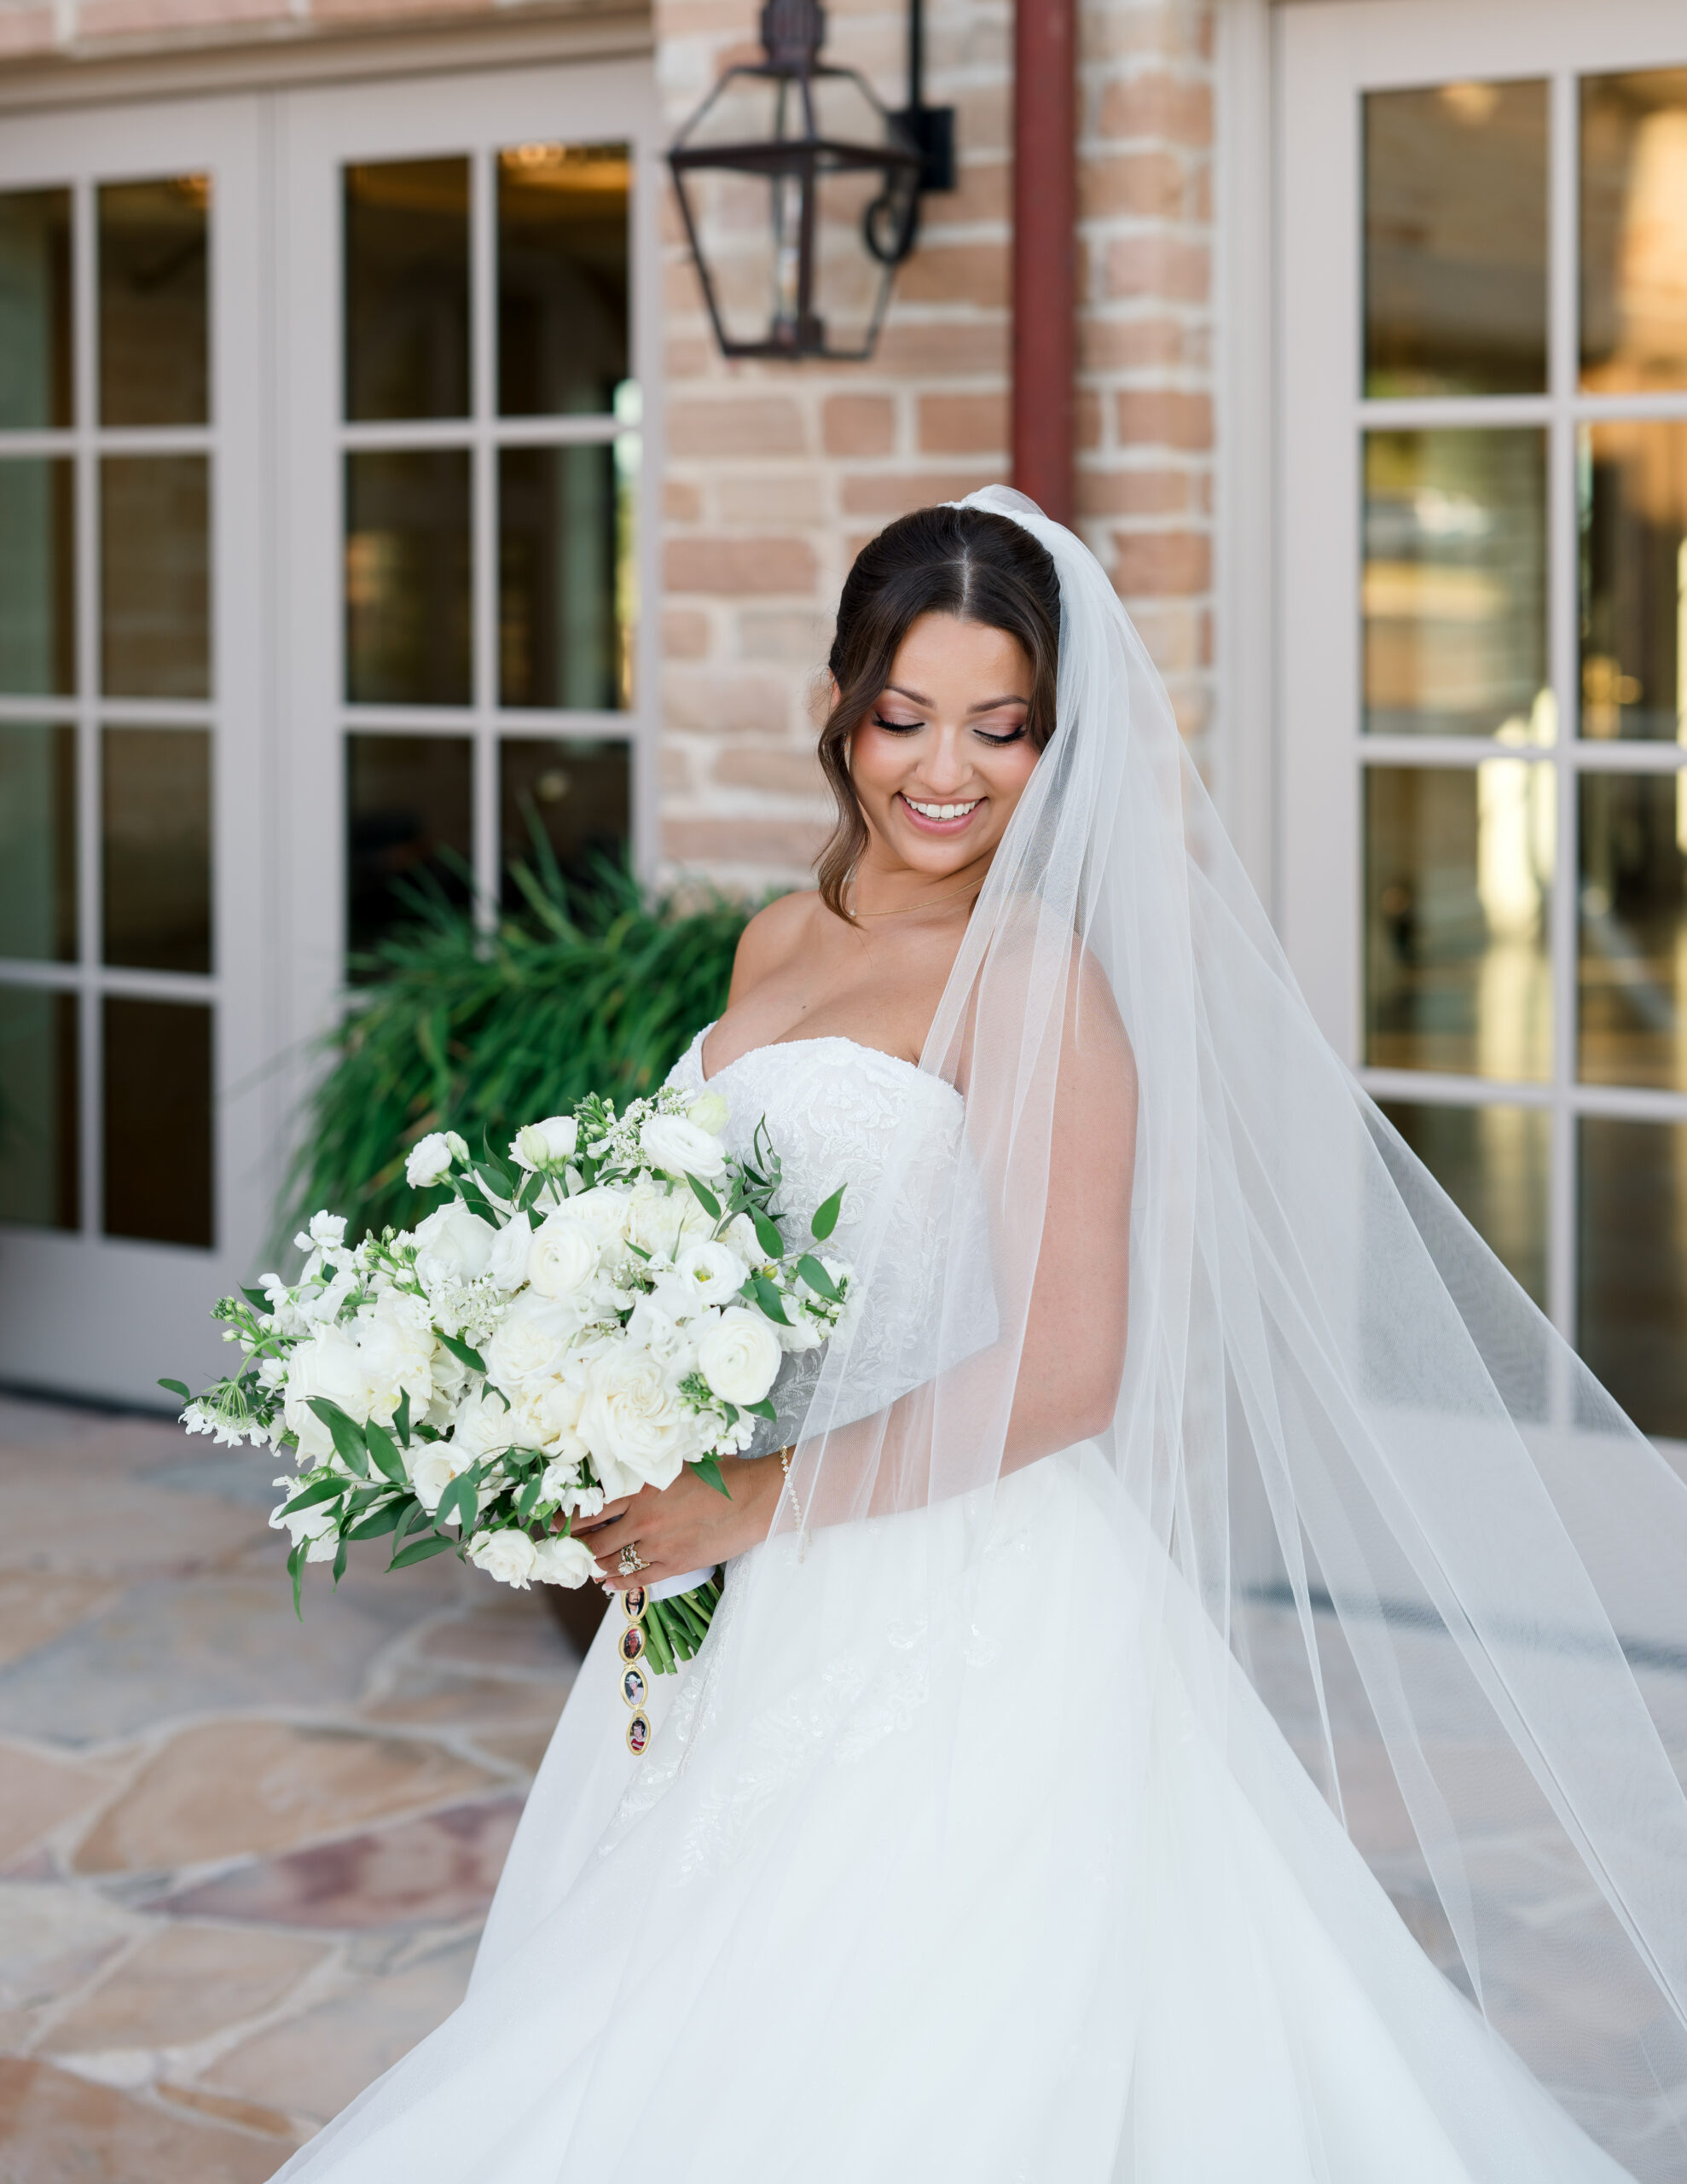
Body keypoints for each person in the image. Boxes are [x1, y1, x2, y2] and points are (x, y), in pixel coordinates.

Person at [271, 491, 1687, 2183]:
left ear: (1053, 742)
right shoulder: (778, 936)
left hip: (958, 1585)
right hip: (748, 1569)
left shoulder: (1031, 974)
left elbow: (1069, 1362)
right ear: (839, 706)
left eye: (998, 727)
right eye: (903, 715)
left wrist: (754, 1493)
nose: (943, 770)